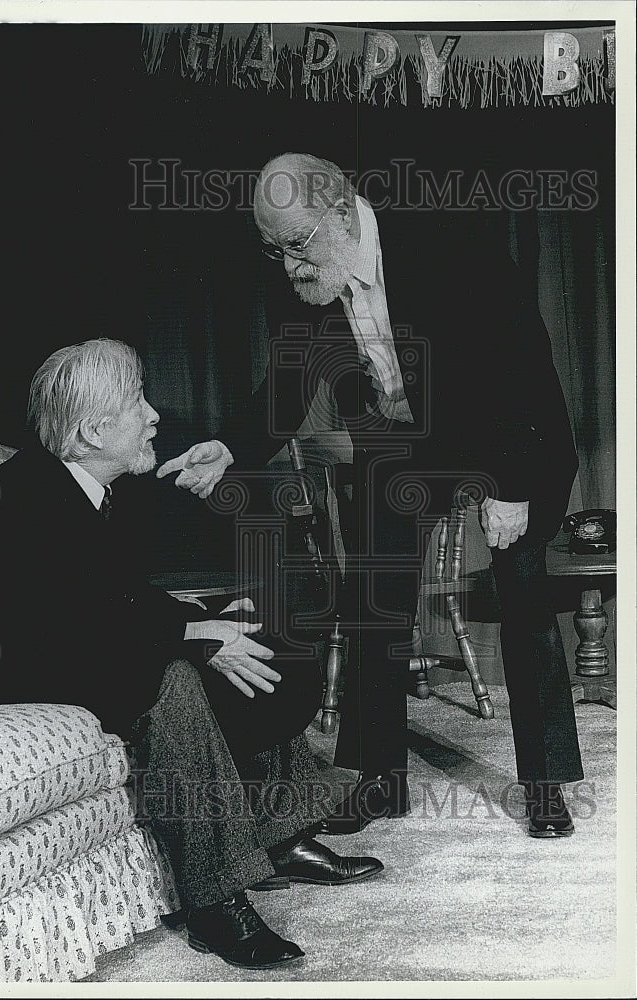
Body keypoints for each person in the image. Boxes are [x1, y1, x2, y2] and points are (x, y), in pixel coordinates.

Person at [157, 152, 583, 839]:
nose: (289, 263)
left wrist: (513, 489)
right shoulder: (310, 275)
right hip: (410, 439)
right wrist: (229, 446)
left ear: (340, 210)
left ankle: (545, 783)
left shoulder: (449, 245)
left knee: (523, 581)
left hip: (508, 433)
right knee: (374, 594)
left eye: (296, 243)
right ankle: (378, 776)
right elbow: (289, 381)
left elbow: (520, 370)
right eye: (273, 248)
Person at [0, 337, 385, 972]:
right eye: (138, 404)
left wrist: (206, 623)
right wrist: (191, 637)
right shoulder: (27, 498)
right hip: (10, 675)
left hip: (66, 648)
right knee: (171, 675)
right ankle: (213, 896)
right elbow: (64, 627)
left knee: (236, 634)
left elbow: (111, 600)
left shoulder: (88, 486)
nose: (154, 416)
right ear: (94, 429)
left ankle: (283, 832)